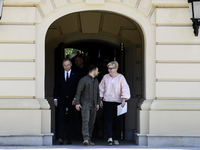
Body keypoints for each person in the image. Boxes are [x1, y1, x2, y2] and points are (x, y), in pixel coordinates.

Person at [99, 61, 131, 146]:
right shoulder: (105, 77)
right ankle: (110, 138)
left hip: (117, 102)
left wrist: (124, 99)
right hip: (107, 101)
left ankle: (116, 138)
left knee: (117, 121)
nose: (109, 70)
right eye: (108, 68)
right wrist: (100, 99)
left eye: (111, 68)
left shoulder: (121, 77)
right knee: (108, 119)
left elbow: (125, 88)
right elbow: (101, 88)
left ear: (116, 68)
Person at [53, 58, 79, 145]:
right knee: (61, 118)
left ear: (71, 65)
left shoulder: (76, 75)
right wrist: (55, 99)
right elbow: (56, 87)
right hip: (61, 100)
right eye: (64, 65)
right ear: (62, 66)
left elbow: (77, 89)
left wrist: (75, 99)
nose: (66, 67)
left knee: (71, 119)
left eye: (68, 65)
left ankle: (69, 138)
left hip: (72, 100)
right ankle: (60, 137)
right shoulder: (59, 75)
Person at [75, 65, 100, 146]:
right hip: (85, 104)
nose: (98, 72)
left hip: (94, 105)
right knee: (85, 121)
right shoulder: (83, 80)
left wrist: (98, 103)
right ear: (93, 71)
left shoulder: (96, 81)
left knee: (92, 122)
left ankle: (89, 138)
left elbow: (97, 93)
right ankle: (86, 138)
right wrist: (77, 103)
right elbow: (78, 92)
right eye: (97, 70)